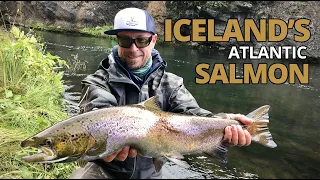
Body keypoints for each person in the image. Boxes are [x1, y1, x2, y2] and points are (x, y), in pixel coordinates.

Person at [69, 7, 253, 179]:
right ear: (117, 40)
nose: (133, 49)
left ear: (154, 40)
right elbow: (97, 115)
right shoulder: (97, 82)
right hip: (103, 170)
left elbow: (193, 117)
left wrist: (224, 122)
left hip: (150, 173)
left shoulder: (171, 84)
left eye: (141, 40)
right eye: (126, 40)